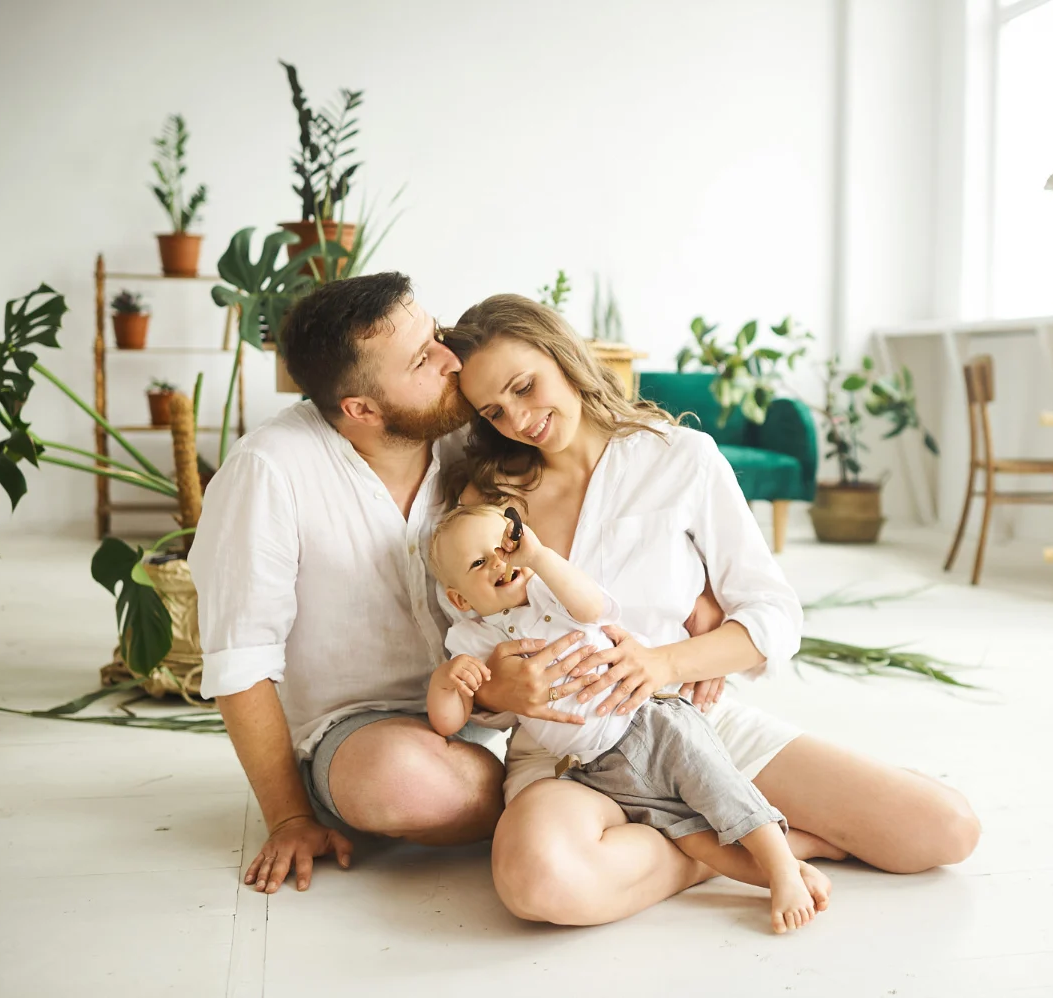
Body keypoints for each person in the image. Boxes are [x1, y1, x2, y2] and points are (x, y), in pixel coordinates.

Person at [445, 294, 982, 926]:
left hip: (686, 725)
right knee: (541, 884)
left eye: (525, 387)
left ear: (562, 354)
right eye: (495, 410)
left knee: (943, 831)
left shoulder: (681, 458)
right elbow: (467, 642)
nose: (519, 418)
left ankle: (722, 839)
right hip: (567, 758)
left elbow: (773, 613)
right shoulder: (487, 501)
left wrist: (664, 662)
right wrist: (497, 691)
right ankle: (748, 845)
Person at [189, 273, 609, 894]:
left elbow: (591, 480)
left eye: (436, 336)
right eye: (422, 359)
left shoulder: (475, 431)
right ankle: (613, 803)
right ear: (361, 408)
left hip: (506, 711)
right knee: (403, 779)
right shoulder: (268, 471)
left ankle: (590, 801)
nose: (451, 359)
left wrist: (703, 596)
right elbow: (239, 661)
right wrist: (288, 818)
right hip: (361, 731)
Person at [427, 504, 830, 933]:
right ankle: (779, 873)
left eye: (501, 548)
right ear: (460, 599)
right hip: (596, 766)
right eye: (478, 562)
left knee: (719, 789)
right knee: (691, 836)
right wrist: (445, 682)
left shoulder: (550, 590)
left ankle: (782, 869)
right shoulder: (469, 640)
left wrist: (540, 557)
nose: (497, 562)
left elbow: (593, 606)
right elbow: (449, 722)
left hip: (647, 720)